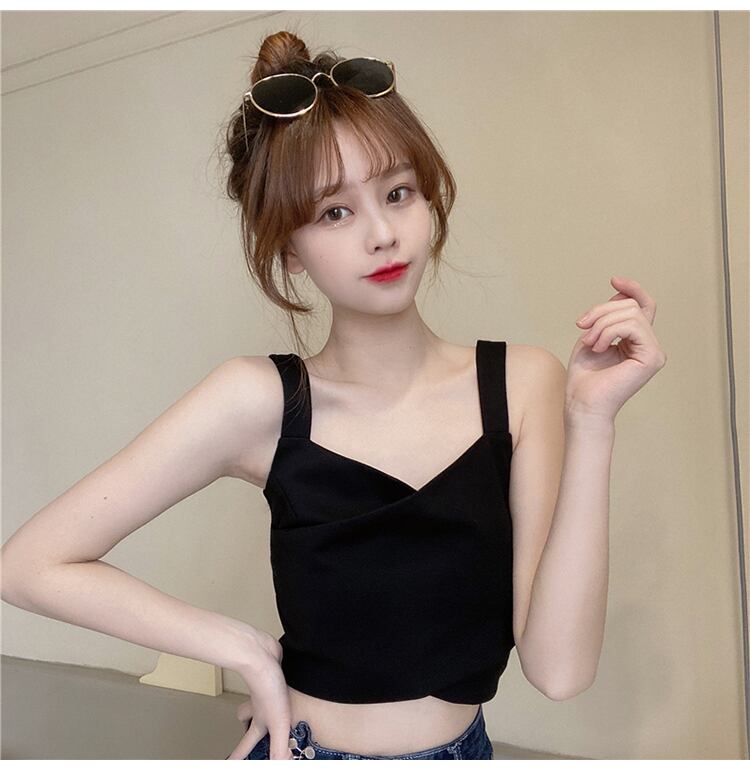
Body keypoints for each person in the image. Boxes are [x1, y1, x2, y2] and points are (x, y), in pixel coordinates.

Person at [1, 27, 667, 762]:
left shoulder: (523, 383)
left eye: (398, 193)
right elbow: (29, 566)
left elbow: (559, 671)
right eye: (334, 213)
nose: (382, 233)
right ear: (289, 248)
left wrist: (592, 419)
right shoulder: (258, 400)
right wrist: (242, 648)